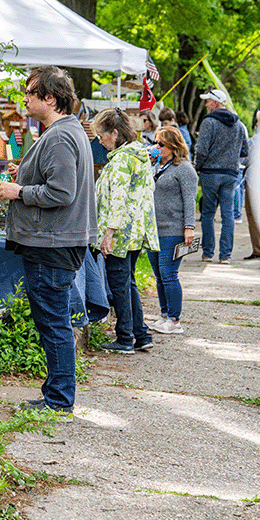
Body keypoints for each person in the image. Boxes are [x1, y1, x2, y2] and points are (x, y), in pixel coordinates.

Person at [0, 66, 95, 417]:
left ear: (49, 99)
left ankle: (59, 400)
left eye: (30, 93)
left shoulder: (58, 136)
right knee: (54, 321)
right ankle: (56, 394)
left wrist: (18, 190)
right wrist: (22, 175)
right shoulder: (67, 131)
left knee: (53, 323)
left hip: (51, 243)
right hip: (54, 240)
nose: (23, 98)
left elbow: (62, 191)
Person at [93, 108, 158, 354]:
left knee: (119, 284)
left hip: (121, 232)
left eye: (102, 135)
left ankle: (125, 338)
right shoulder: (138, 156)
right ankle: (140, 334)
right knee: (128, 283)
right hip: (136, 230)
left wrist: (108, 234)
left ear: (116, 133)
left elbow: (118, 200)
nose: (99, 140)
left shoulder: (121, 160)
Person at [146, 126, 197, 334]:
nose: (157, 147)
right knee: (159, 275)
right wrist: (149, 163)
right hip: (154, 228)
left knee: (169, 274)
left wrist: (189, 227)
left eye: (161, 144)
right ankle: (165, 314)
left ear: (173, 146)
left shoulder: (184, 169)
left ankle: (175, 320)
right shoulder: (156, 165)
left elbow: (190, 200)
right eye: (156, 142)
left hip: (173, 229)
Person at [194, 89, 249, 263]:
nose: (206, 104)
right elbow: (245, 151)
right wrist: (230, 158)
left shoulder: (208, 122)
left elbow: (201, 150)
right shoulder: (239, 125)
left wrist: (198, 166)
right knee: (228, 215)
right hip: (230, 174)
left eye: (209, 101)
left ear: (216, 103)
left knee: (208, 213)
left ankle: (208, 253)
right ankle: (225, 255)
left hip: (210, 173)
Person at [243, 111, 260, 261]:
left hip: (254, 180)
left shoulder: (254, 141)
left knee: (253, 215)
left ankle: (257, 249)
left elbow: (245, 159)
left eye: (258, 122)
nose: (257, 124)